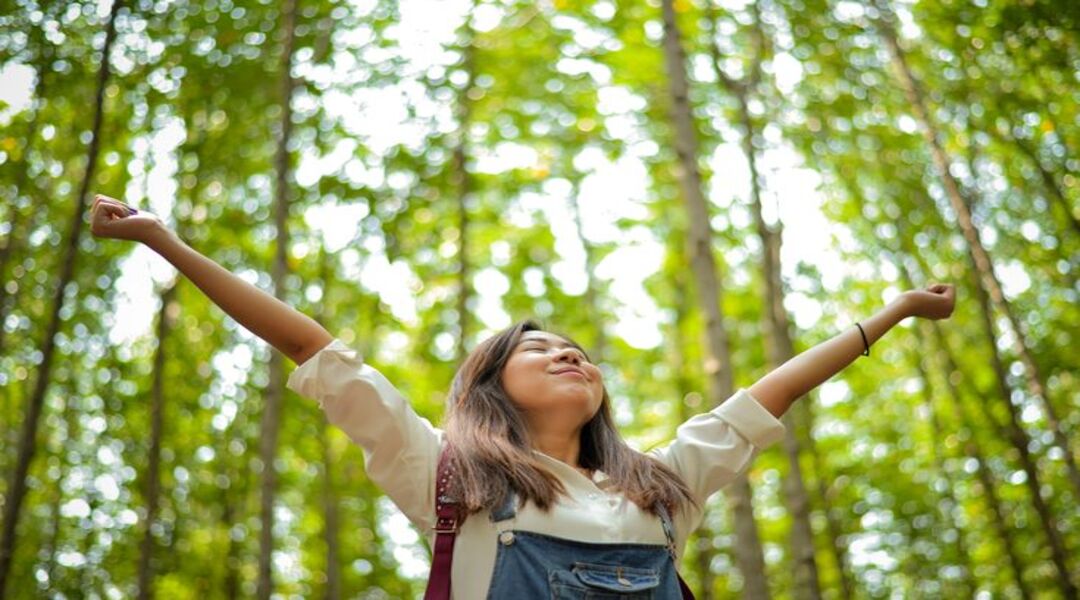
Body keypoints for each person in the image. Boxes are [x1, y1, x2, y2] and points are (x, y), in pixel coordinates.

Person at [89, 193, 956, 598]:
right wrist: (166, 242)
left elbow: (768, 395)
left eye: (577, 349)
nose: (568, 354)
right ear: (489, 389)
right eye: (537, 349)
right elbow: (312, 346)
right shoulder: (445, 476)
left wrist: (897, 313)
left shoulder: (659, 490)